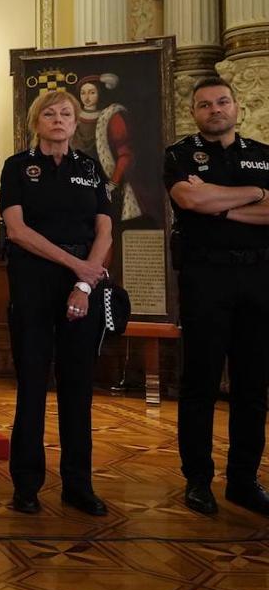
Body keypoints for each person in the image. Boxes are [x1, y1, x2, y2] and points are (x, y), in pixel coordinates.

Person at [0, 90, 111, 516]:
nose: (59, 119)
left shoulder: (89, 167)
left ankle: (78, 485)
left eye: (67, 113)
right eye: (50, 113)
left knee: (78, 386)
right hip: (33, 278)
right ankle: (26, 485)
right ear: (36, 121)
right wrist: (75, 265)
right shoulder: (17, 167)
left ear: (76, 120)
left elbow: (104, 230)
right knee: (31, 385)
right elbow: (18, 230)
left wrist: (84, 283)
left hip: (81, 283)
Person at [163, 76, 269, 517]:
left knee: (253, 384)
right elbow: (190, 200)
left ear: (236, 106)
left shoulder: (263, 156)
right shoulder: (180, 154)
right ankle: (198, 481)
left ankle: (243, 481)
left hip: (260, 279)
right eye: (205, 104)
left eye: (222, 101)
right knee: (200, 381)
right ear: (194, 112)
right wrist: (257, 196)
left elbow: (207, 201)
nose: (215, 109)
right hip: (205, 277)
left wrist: (218, 202)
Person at [73, 74, 160, 223]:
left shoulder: (111, 116)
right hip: (77, 185)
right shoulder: (71, 118)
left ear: (100, 93)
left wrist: (113, 183)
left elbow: (125, 153)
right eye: (83, 92)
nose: (87, 97)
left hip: (106, 183)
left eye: (92, 92)